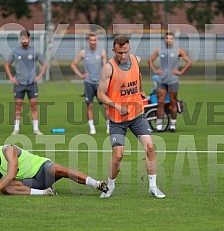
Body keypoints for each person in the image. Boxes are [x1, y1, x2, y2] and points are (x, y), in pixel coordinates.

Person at [97, 35, 165, 199]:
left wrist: (141, 89)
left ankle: (153, 187)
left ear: (129, 50)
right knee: (118, 155)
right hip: (117, 119)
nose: (123, 56)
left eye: (126, 52)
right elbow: (100, 94)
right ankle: (110, 186)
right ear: (114, 50)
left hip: (137, 115)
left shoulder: (136, 60)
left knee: (150, 147)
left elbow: (138, 75)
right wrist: (117, 106)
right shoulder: (108, 68)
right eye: (119, 53)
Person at [0, 135, 108, 198]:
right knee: (6, 188)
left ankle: (97, 184)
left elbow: (11, 175)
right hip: (31, 181)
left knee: (59, 169)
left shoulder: (8, 150)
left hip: (41, 168)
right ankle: (45, 192)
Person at [4, 30, 47, 135]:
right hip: (19, 84)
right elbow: (6, 64)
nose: (24, 40)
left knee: (34, 105)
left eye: (25, 38)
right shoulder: (16, 52)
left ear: (29, 39)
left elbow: (44, 64)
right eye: (22, 39)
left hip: (32, 84)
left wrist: (39, 76)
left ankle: (36, 129)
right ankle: (16, 129)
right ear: (20, 40)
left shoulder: (34, 51)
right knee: (18, 106)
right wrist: (11, 77)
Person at [148, 32, 192, 132]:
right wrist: (155, 70)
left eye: (171, 38)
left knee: (173, 102)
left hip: (173, 81)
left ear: (173, 40)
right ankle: (159, 126)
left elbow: (189, 62)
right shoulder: (159, 50)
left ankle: (173, 125)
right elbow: (150, 60)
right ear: (164, 39)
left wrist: (180, 72)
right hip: (161, 80)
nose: (169, 40)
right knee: (160, 103)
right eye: (167, 38)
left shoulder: (179, 50)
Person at [70, 32, 109, 135]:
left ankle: (109, 126)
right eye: (91, 40)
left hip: (100, 83)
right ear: (88, 41)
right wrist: (81, 75)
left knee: (106, 105)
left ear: (97, 41)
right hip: (88, 83)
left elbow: (105, 67)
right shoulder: (83, 53)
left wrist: (105, 78)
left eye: (95, 40)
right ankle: (92, 127)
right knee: (90, 106)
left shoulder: (102, 52)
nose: (93, 42)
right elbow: (73, 65)